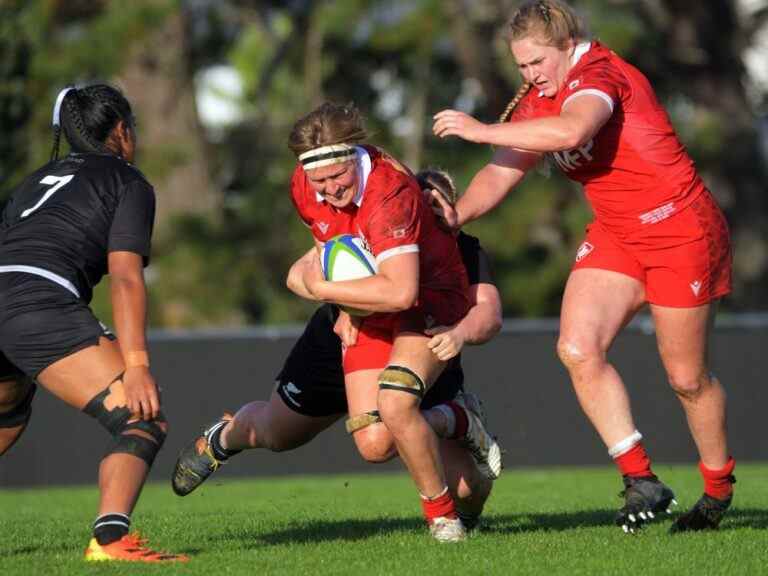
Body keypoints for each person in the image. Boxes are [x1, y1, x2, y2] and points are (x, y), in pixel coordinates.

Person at [432, 0, 734, 534]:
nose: (529, 76)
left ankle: (716, 491)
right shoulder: (538, 97)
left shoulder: (599, 74)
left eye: (537, 63)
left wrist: (480, 129)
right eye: (521, 66)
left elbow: (572, 131)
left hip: (679, 230)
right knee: (576, 348)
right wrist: (453, 218)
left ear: (567, 46)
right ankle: (641, 479)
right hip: (618, 235)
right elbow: (501, 175)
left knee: (686, 378)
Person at [172, 166, 503, 537]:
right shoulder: (374, 230)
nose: (433, 215)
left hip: (423, 350)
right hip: (341, 344)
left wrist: (457, 334)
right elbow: (299, 273)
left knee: (467, 487)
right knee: (278, 433)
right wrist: (345, 303)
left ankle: (459, 493)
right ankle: (223, 438)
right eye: (424, 205)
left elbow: (488, 313)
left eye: (441, 206)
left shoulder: (463, 249)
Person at [0, 84, 186, 562]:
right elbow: (125, 276)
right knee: (141, 418)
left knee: (7, 409)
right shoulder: (127, 180)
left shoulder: (35, 180)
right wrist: (137, 363)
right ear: (122, 131)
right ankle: (111, 541)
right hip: (35, 302)